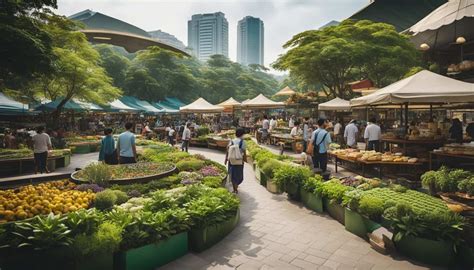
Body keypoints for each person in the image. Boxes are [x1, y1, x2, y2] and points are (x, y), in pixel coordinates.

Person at [225, 128, 247, 194]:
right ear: (242, 134)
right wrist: (245, 160)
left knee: (232, 174)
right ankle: (236, 187)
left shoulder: (231, 141)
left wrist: (226, 159)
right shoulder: (243, 142)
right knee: (239, 175)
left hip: (231, 160)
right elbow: (244, 152)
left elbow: (227, 150)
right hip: (239, 161)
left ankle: (235, 188)